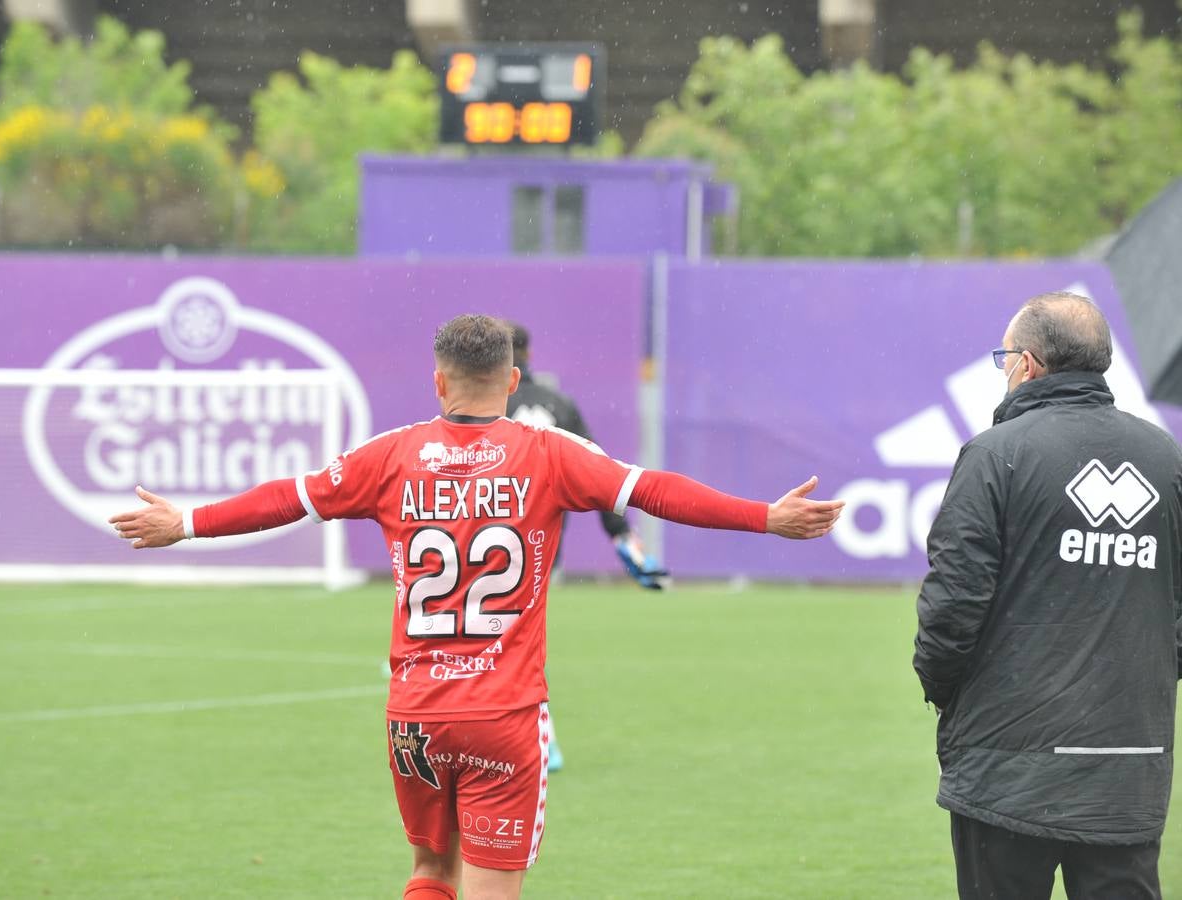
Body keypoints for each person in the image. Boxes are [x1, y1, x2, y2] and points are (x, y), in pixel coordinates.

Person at [111, 315, 843, 900]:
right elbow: (651, 489)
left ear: (439, 382)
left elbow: (290, 498)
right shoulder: (552, 452)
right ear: (514, 379)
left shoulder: (390, 456)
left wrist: (188, 523)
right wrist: (762, 516)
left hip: (416, 718)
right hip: (502, 716)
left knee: (432, 875)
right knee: (492, 889)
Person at [913, 292, 1182, 900]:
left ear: (1027, 364)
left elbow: (954, 602)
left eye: (1003, 358)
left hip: (1007, 762)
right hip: (1129, 758)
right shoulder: (1165, 457)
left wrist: (941, 689)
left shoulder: (995, 454)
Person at [506, 321, 666, 773]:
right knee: (522, 644)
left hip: (477, 549)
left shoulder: (485, 406)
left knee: (494, 647)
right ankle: (535, 739)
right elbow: (602, 479)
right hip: (539, 554)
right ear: (529, 352)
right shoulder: (561, 406)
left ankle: (530, 739)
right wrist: (623, 539)